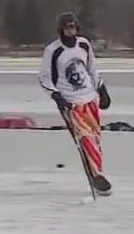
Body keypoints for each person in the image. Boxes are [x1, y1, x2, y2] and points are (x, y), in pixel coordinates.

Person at [38, 12, 112, 195]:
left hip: (89, 97)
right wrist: (56, 96)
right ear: (61, 29)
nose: (70, 30)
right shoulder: (53, 50)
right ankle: (96, 174)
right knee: (84, 138)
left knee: (95, 138)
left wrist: (102, 90)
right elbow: (45, 77)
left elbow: (92, 68)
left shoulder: (84, 44)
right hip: (71, 102)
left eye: (73, 27)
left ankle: (98, 175)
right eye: (67, 27)